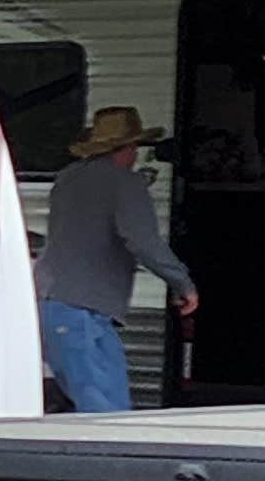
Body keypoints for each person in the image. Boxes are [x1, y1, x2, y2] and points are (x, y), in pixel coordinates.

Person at [37, 105, 197, 413]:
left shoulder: (67, 178)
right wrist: (182, 282)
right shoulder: (125, 183)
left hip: (54, 304)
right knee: (106, 414)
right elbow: (143, 241)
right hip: (85, 313)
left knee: (89, 406)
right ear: (129, 147)